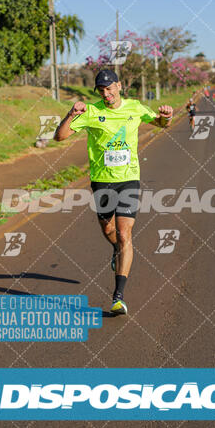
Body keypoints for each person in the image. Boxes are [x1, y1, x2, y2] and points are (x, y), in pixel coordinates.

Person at [54, 70, 173, 315]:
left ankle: (118, 296)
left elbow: (160, 123)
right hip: (101, 181)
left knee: (124, 232)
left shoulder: (135, 107)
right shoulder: (92, 112)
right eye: (101, 90)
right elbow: (59, 136)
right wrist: (71, 114)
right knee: (108, 230)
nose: (107, 94)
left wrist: (167, 117)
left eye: (110, 89)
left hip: (129, 179)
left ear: (119, 85)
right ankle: (116, 250)